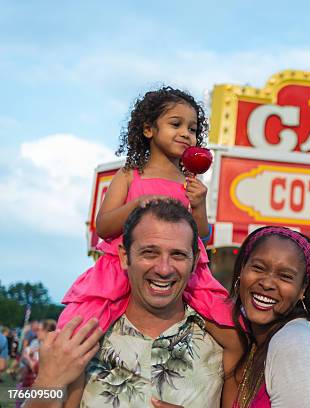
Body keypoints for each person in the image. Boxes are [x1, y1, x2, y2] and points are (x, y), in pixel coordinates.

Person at [57, 87, 241, 396]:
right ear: (148, 129)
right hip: (118, 268)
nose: (187, 134)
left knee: (234, 334)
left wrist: (199, 205)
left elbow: (201, 235)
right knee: (75, 336)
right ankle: (59, 396)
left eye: (193, 128)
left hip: (188, 276)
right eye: (176, 124)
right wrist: (135, 205)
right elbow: (104, 225)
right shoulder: (131, 175)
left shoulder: (190, 183)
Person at [29, 200, 242, 407]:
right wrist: (46, 384)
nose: (164, 269)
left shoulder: (226, 343)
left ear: (194, 261)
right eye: (150, 253)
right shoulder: (84, 342)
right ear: (124, 256)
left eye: (177, 255)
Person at [229, 226, 310, 408]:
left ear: (302, 290)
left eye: (285, 276)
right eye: (258, 268)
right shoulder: (253, 335)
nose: (267, 283)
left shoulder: (293, 340)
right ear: (242, 269)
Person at [16, 320, 56, 408]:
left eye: (39, 329)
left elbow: (42, 370)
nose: (36, 332)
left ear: (47, 332)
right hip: (27, 384)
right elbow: (23, 357)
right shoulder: (36, 342)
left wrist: (29, 360)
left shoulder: (53, 349)